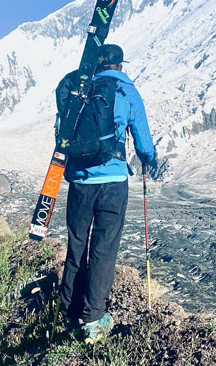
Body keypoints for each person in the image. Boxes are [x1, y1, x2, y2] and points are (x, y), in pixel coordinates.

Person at [58, 44, 156, 343]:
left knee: (77, 245)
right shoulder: (127, 92)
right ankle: (94, 318)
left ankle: (69, 310)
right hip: (113, 182)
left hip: (79, 180)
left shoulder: (81, 89)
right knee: (104, 248)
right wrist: (149, 158)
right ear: (120, 65)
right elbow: (143, 141)